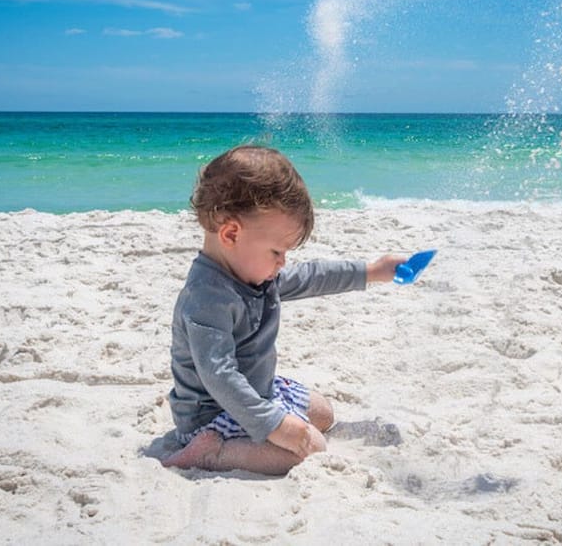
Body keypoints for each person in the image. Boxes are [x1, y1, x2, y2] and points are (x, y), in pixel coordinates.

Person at [160, 145, 405, 475]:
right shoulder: (206, 299)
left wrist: (371, 271)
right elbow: (219, 376)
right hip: (211, 414)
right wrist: (274, 424)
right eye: (276, 251)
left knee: (324, 413)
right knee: (311, 447)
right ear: (231, 233)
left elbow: (310, 278)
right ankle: (210, 454)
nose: (283, 262)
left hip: (256, 391)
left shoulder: (252, 274)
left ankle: (260, 428)